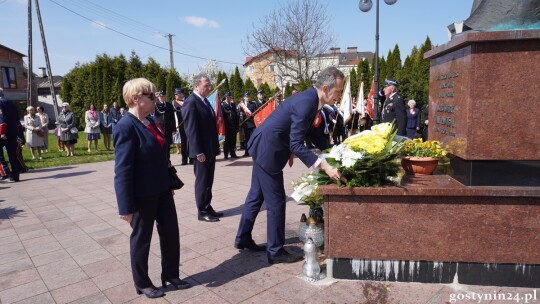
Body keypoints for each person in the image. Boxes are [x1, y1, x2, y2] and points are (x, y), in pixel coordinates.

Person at [234, 66, 344, 264]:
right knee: (276, 201)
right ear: (326, 88)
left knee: (256, 195)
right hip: (269, 150)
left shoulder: (312, 100)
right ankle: (275, 251)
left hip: (267, 146)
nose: (339, 96)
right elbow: (296, 143)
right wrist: (324, 166)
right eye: (338, 92)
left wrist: (334, 150)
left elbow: (311, 134)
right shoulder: (307, 102)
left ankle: (243, 238)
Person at [113, 78, 190, 299]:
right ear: (136, 98)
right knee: (141, 239)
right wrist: (125, 207)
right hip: (141, 195)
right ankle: (143, 283)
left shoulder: (151, 121)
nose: (155, 98)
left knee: (170, 233)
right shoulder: (125, 126)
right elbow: (123, 171)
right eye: (151, 95)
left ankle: (171, 275)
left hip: (162, 190)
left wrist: (168, 183)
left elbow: (159, 155)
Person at [182, 74, 223, 222]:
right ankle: (202, 211)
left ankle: (208, 206)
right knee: (202, 181)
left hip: (209, 148)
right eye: (206, 85)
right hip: (200, 151)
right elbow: (191, 130)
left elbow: (210, 126)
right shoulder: (191, 102)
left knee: (209, 180)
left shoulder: (204, 101)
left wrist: (215, 147)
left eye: (209, 85)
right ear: (196, 86)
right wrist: (198, 151)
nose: (209, 88)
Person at [0, 88, 23, 182]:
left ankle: (7, 173)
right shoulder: (11, 103)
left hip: (3, 133)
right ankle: (15, 176)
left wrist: (2, 132)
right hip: (13, 132)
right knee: (12, 155)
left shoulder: (0, 103)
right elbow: (17, 119)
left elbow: (2, 119)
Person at [153, 90, 174, 159]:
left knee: (167, 145)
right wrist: (154, 97)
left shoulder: (169, 105)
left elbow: (172, 118)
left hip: (167, 128)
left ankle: (168, 160)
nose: (162, 98)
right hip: (158, 128)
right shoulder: (155, 104)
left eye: (163, 96)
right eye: (160, 96)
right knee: (159, 144)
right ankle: (161, 159)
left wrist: (173, 129)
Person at [172, 89, 190, 165]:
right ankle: (184, 159)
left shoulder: (188, 100)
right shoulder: (174, 102)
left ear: (181, 94)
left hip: (190, 124)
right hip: (181, 125)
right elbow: (183, 106)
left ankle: (192, 158)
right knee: (184, 142)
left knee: (191, 142)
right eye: (175, 94)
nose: (175, 96)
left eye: (177, 94)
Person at [220, 92, 239, 159]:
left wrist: (237, 125)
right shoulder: (223, 105)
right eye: (227, 97)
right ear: (225, 98)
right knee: (226, 141)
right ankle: (226, 154)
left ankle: (232, 153)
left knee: (233, 140)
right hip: (226, 126)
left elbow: (236, 115)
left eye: (230, 97)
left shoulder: (233, 105)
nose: (229, 98)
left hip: (233, 125)